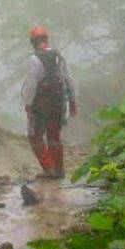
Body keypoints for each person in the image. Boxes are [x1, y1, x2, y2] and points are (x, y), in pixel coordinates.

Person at [21, 26, 77, 179]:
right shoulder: (58, 56)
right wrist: (72, 100)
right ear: (46, 39)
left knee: (35, 136)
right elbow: (68, 78)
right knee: (54, 137)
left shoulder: (34, 59)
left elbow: (32, 83)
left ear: (32, 42)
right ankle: (59, 170)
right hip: (58, 103)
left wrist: (28, 104)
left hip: (40, 105)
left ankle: (49, 169)